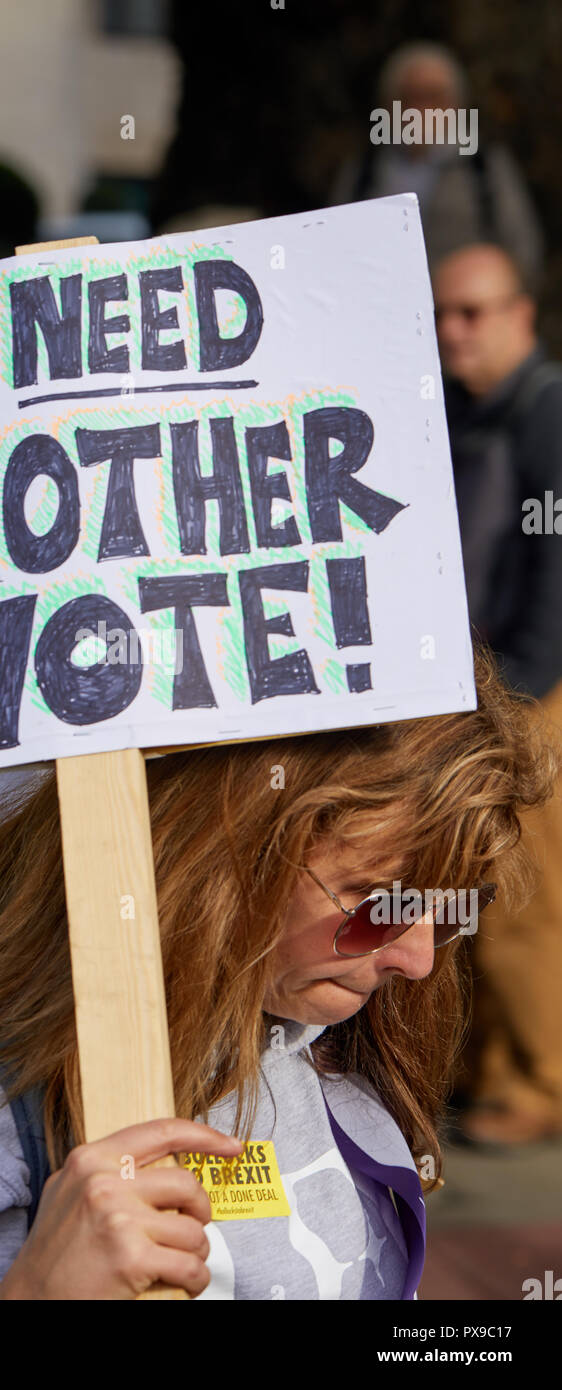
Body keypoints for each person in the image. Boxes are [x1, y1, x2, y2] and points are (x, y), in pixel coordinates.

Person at [0, 642, 554, 1299]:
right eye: (376, 901)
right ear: (212, 855)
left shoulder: (320, 1047)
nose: (418, 959)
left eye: (456, 905)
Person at [434, 242, 562, 1143]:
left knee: (525, 895)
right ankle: (491, 1072)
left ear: (523, 314)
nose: (453, 332)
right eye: (441, 313)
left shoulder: (549, 413)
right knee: (474, 892)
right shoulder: (464, 411)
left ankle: (545, 1083)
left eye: (473, 313)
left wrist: (517, 700)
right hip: (481, 688)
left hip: (533, 692)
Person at [332, 42, 544, 283]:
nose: (422, 109)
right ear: (388, 105)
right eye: (410, 97)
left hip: (464, 308)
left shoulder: (485, 167)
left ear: (455, 104)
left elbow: (523, 251)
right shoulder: (363, 171)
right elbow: (335, 247)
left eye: (434, 97)